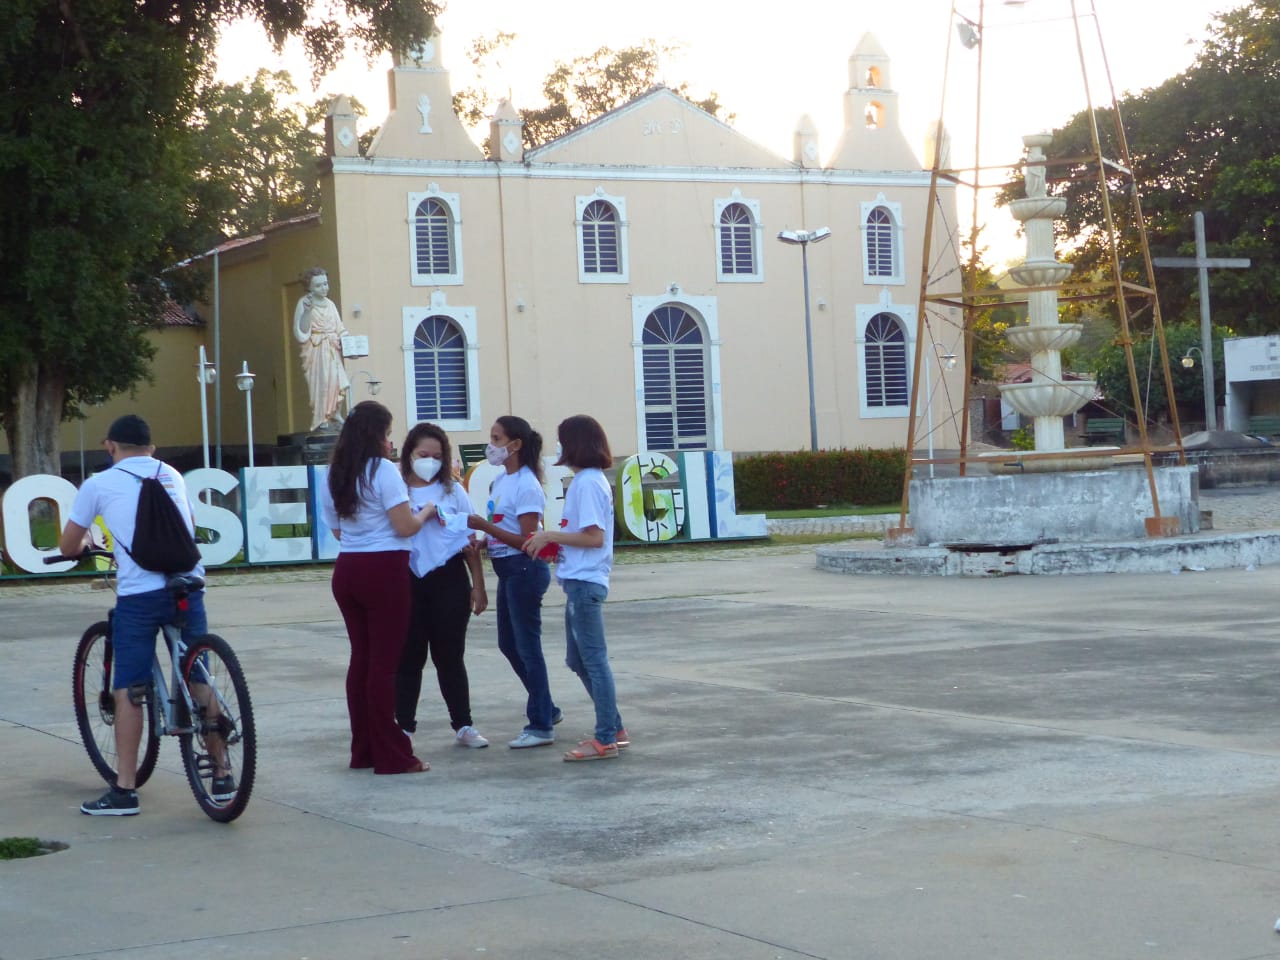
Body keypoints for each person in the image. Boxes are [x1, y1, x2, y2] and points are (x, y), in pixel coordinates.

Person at [58, 414, 223, 815]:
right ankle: (222, 772)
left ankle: (125, 789)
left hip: (141, 595)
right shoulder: (173, 475)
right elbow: (188, 525)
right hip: (188, 586)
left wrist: (86, 547)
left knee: (128, 686)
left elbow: (67, 546)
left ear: (110, 447)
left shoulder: (98, 484)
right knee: (196, 669)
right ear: (151, 448)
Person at [319, 400, 430, 775]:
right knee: (385, 665)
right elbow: (404, 526)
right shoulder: (382, 471)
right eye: (387, 432)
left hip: (348, 567)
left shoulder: (335, 472)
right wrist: (426, 512)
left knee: (362, 660)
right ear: (378, 434)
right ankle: (392, 753)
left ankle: (363, 748)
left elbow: (336, 528)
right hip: (384, 569)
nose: (389, 440)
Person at [524, 415, 629, 761]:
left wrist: (550, 535)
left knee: (593, 662)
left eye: (562, 439)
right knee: (578, 660)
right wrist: (560, 547)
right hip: (579, 581)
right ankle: (613, 726)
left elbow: (594, 536)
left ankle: (605, 739)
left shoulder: (586, 483)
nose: (558, 447)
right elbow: (586, 535)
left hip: (585, 585)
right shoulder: (587, 481)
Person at [467, 416, 562, 748]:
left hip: (524, 569)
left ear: (515, 444)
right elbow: (502, 528)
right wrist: (485, 540)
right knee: (509, 645)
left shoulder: (526, 484)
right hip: (507, 570)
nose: (491, 446)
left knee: (527, 647)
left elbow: (527, 539)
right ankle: (546, 706)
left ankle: (540, 724)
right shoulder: (502, 481)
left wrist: (486, 528)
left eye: (496, 439)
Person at [395, 422, 490, 748]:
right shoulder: (396, 488)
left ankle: (463, 724)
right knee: (409, 656)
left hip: (448, 578)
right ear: (409, 454)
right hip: (407, 577)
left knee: (450, 655)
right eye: (423, 454)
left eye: (437, 456)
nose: (430, 462)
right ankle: (403, 726)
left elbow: (469, 541)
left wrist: (478, 584)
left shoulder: (453, 490)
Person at [293, 267, 352, 432]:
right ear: (309, 287)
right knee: (323, 383)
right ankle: (321, 417)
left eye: (326, 284)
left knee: (339, 381)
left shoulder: (331, 304)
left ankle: (335, 413)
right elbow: (302, 331)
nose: (324, 288)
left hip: (333, 348)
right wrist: (307, 311)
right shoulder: (304, 302)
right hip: (317, 350)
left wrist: (348, 340)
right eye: (319, 285)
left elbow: (340, 327)